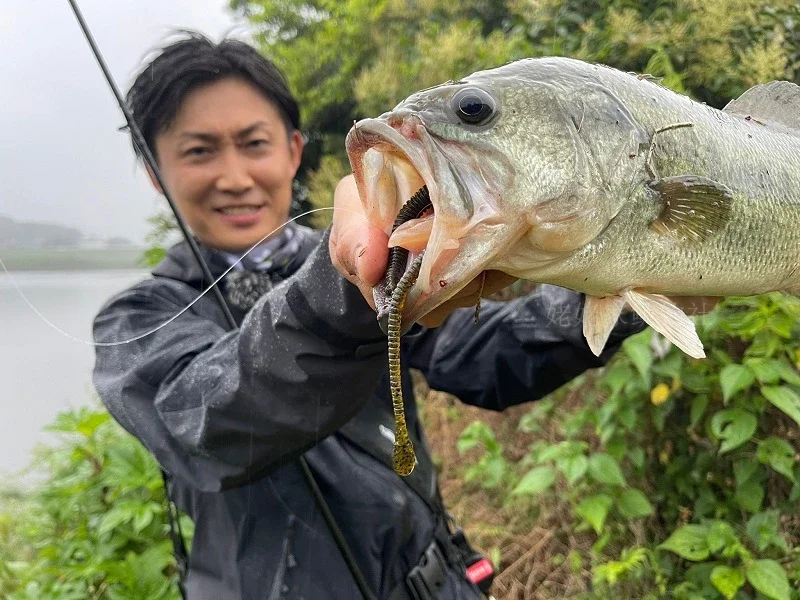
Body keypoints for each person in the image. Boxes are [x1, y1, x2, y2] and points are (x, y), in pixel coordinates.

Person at [91, 32, 698, 600]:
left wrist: (627, 283)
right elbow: (206, 424)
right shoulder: (139, 319)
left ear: (294, 150)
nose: (235, 177)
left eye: (255, 144)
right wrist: (349, 290)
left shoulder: (381, 251)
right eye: (198, 151)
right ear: (156, 171)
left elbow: (479, 356)